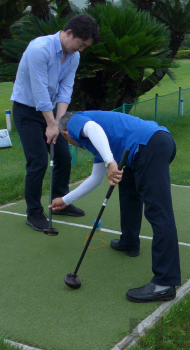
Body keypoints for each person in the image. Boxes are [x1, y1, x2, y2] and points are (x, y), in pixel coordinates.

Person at [49, 110, 181, 303]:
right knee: (128, 191)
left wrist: (111, 162)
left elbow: (94, 128)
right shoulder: (96, 145)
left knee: (159, 212)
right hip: (145, 148)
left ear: (65, 133)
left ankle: (165, 283)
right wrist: (66, 200)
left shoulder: (75, 121)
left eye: (66, 139)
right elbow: (95, 179)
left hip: (150, 145)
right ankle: (129, 242)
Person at [10, 15, 99, 233]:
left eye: (85, 47)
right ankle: (34, 213)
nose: (81, 50)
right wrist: (50, 123)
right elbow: (40, 91)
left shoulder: (73, 56)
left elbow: (65, 89)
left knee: (63, 157)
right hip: (27, 111)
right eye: (81, 44)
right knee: (38, 161)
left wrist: (57, 123)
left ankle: (60, 203)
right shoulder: (39, 49)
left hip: (50, 111)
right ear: (69, 33)